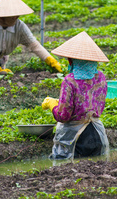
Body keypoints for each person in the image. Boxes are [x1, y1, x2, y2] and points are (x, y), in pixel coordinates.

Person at [41, 31, 110, 159]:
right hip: (97, 135)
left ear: (71, 61)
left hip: (75, 139)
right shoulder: (100, 77)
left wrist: (53, 106)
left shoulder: (70, 81)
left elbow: (64, 116)